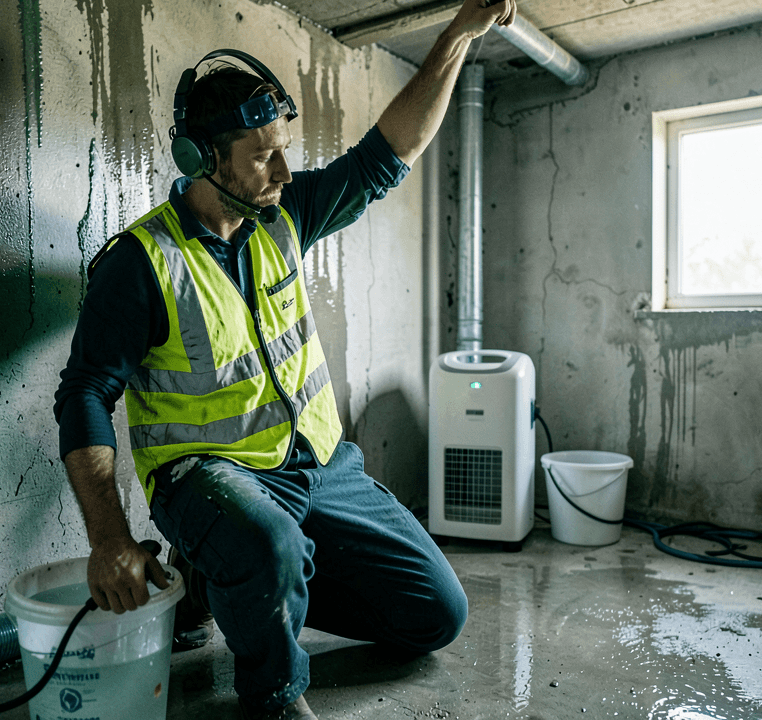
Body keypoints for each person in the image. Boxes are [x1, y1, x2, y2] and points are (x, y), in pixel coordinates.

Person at [53, 1, 517, 718]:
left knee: (434, 617)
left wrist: (457, 35)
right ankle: (272, 693)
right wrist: (110, 540)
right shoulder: (142, 263)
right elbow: (85, 393)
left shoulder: (283, 215)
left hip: (320, 468)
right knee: (269, 546)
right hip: (210, 477)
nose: (283, 166)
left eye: (283, 146)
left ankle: (216, 579)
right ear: (202, 159)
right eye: (263, 153)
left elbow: (388, 153)